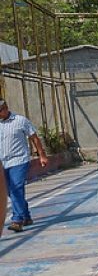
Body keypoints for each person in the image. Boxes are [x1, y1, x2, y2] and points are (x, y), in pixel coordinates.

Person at [0, 98, 49, 232]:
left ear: (5, 108)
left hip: (19, 160)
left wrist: (42, 155)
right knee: (10, 191)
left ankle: (17, 220)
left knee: (16, 188)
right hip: (2, 162)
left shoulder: (20, 120)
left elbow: (34, 138)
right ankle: (26, 216)